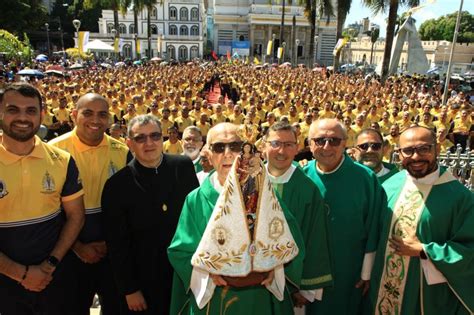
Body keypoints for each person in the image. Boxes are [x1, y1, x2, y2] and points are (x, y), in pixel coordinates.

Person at [168, 122, 304, 315]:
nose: (228, 153)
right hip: (215, 299)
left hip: (260, 297)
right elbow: (181, 251)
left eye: (235, 146)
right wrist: (208, 272)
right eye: (219, 147)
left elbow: (290, 241)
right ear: (207, 152)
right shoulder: (196, 200)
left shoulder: (265, 193)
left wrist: (276, 268)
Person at [366, 126, 474, 315]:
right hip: (382, 287)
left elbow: (469, 250)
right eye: (408, 150)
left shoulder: (460, 198)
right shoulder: (389, 186)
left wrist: (425, 250)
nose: (415, 157)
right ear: (398, 153)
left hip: (426, 293)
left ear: (437, 149)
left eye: (424, 149)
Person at [0, 82, 85, 314]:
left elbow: (76, 216)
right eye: (12, 109)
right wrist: (22, 274)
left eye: (31, 110)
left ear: (42, 115)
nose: (22, 117)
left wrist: (49, 265)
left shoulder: (62, 160)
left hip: (53, 280)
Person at [102, 115, 199, 314]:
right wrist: (129, 289)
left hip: (184, 275)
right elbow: (117, 244)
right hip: (144, 282)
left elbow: (196, 218)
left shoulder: (183, 166)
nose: (149, 143)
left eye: (155, 136)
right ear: (129, 143)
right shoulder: (117, 186)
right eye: (140, 138)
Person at [49, 93, 130, 315]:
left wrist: (110, 243)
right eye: (88, 113)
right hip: (68, 253)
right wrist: (77, 247)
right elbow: (48, 209)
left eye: (102, 114)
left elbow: (128, 207)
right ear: (74, 115)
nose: (95, 120)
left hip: (111, 253)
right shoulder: (53, 151)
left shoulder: (122, 151)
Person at [303, 119, 385, 315]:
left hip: (349, 272)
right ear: (309, 144)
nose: (326, 146)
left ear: (345, 143)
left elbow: (374, 225)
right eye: (320, 140)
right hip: (307, 272)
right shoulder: (302, 176)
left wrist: (366, 273)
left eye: (334, 140)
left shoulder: (365, 179)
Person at [261, 122, 333, 310]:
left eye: (288, 145)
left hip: (291, 281)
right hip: (252, 280)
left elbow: (315, 238)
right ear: (263, 145)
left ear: (298, 148)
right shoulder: (250, 180)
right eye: (275, 143)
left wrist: (306, 288)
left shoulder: (307, 188)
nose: (281, 151)